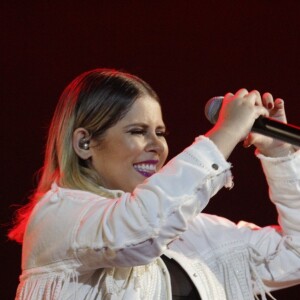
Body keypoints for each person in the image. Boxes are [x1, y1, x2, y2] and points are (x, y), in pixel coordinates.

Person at [9, 68, 300, 300]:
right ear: (85, 143)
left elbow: (295, 254)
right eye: (138, 131)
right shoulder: (58, 218)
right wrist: (226, 132)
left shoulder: (193, 232)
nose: (156, 146)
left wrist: (280, 155)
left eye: (160, 132)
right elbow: (138, 231)